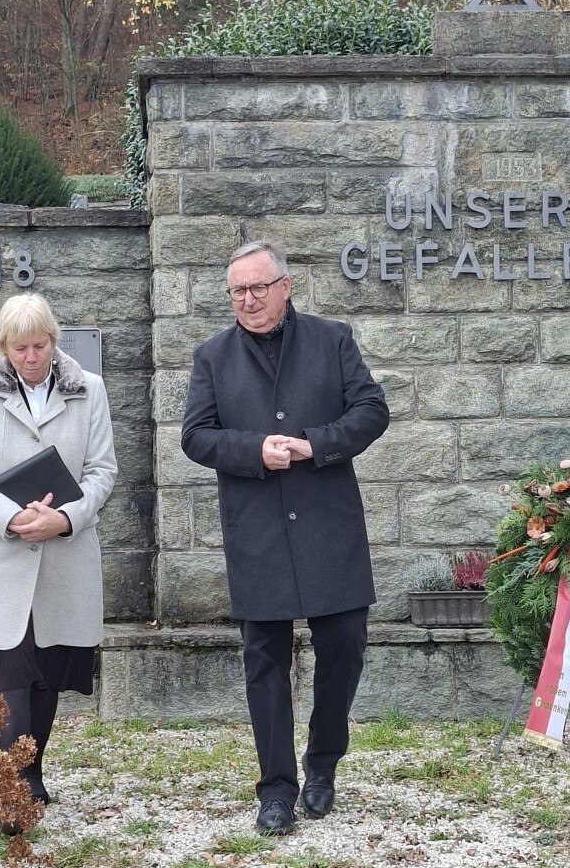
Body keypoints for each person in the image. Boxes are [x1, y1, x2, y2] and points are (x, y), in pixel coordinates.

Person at [181, 239, 389, 836]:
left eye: (257, 288)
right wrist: (253, 450)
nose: (248, 300)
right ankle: (275, 790)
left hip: (329, 525)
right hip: (258, 532)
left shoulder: (333, 339)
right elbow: (195, 436)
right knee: (264, 660)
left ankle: (322, 763)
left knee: (344, 646)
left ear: (285, 286)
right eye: (237, 291)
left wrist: (314, 444)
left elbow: (372, 410)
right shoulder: (212, 356)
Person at [0, 293, 117, 833]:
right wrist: (11, 516)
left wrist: (64, 519)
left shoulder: (90, 390)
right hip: (0, 553)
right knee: (8, 670)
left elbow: (102, 472)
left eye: (39, 346)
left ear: (53, 340)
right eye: (18, 348)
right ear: (3, 347)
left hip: (64, 553)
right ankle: (14, 788)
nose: (30, 357)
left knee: (47, 671)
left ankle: (33, 771)